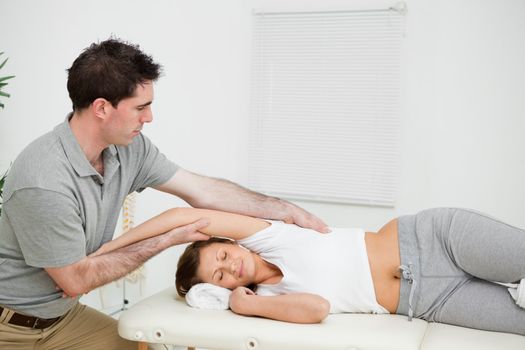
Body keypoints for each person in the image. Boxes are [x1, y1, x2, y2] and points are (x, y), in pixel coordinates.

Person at [0, 38, 328, 349]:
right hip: (10, 327)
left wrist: (282, 209)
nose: (149, 117)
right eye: (141, 107)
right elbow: (76, 281)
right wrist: (165, 239)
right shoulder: (44, 181)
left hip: (62, 319)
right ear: (102, 108)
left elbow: (201, 190)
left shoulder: (128, 150)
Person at [91, 206, 525, 335]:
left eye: (222, 256)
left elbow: (181, 216)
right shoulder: (268, 301)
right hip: (427, 302)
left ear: (228, 243)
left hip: (436, 240)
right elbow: (317, 309)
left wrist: (108, 251)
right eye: (220, 276)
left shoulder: (269, 235)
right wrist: (245, 306)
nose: (230, 266)